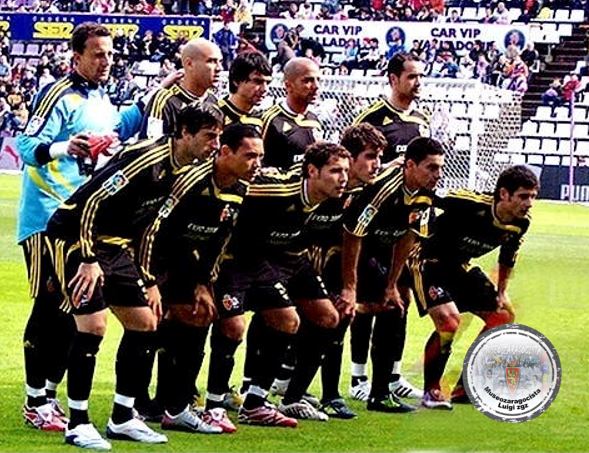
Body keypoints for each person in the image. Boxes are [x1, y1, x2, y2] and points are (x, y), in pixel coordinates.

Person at [45, 103, 224, 450]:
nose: (214, 145)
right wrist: (87, 259)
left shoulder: (185, 170)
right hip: (74, 236)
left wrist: (148, 279)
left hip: (116, 247)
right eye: (209, 136)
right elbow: (91, 202)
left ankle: (123, 418)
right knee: (93, 326)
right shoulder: (146, 157)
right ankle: (77, 423)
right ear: (184, 133)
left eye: (218, 137)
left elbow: (152, 227)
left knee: (145, 323)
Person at [16, 22, 144, 434]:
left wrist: (153, 97)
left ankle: (48, 394)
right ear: (77, 57)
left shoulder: (103, 98)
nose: (107, 61)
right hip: (47, 218)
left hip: (82, 221)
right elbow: (25, 145)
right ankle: (36, 399)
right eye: (98, 54)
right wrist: (63, 147)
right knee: (51, 307)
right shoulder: (57, 93)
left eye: (110, 54)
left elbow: (117, 129)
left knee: (75, 311)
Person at [137, 124, 264, 434]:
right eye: (250, 156)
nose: (257, 164)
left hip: (185, 263)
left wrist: (204, 283)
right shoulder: (191, 181)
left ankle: (174, 405)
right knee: (147, 324)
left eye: (260, 157)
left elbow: (218, 241)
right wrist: (150, 280)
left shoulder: (240, 189)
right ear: (225, 152)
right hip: (150, 257)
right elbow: (152, 229)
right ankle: (138, 405)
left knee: (199, 315)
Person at [214, 142, 351, 426]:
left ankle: (263, 402)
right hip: (233, 260)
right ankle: (212, 404)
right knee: (231, 326)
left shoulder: (336, 197)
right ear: (312, 171)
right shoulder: (274, 190)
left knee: (307, 318)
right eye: (336, 171)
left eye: (346, 172)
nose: (343, 178)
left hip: (274, 261)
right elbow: (232, 192)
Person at [410, 165, 539, 409]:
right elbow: (425, 195)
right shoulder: (469, 203)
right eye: (523, 196)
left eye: (533, 196)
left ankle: (464, 388)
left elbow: (507, 258)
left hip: (459, 266)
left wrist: (501, 292)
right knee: (449, 322)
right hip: (427, 261)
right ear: (504, 194)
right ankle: (432, 391)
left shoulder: (521, 223)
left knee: (503, 316)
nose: (529, 203)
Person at [341, 137, 444, 412]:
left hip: (381, 251)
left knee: (394, 305)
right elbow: (353, 235)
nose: (437, 175)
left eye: (440, 168)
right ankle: (364, 386)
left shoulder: (424, 193)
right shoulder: (384, 187)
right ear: (409, 165)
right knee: (355, 311)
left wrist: (391, 284)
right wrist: (350, 285)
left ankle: (382, 390)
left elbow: (408, 238)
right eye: (431, 168)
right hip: (351, 248)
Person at [349, 52, 430, 402]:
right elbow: (351, 164)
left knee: (401, 298)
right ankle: (358, 377)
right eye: (411, 76)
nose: (418, 82)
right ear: (393, 79)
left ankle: (393, 375)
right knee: (368, 301)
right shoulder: (372, 117)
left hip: (401, 226)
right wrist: (387, 168)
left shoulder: (422, 120)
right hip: (369, 225)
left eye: (420, 76)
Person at [304, 123, 388, 419]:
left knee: (350, 311)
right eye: (370, 156)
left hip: (329, 258)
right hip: (299, 257)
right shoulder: (323, 184)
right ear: (350, 159)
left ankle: (340, 391)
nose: (377, 164)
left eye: (380, 157)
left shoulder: (361, 189)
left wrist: (350, 287)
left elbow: (353, 235)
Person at [140, 38, 222, 139]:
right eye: (211, 61)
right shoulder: (165, 101)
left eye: (220, 62)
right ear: (189, 64)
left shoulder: (214, 101)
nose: (219, 68)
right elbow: (150, 143)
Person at [260, 57, 322, 169]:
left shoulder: (314, 120)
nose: (316, 86)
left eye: (318, 80)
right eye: (307, 80)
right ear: (288, 85)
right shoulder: (271, 120)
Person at [217, 51, 272, 127]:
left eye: (268, 83)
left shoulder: (264, 120)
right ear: (236, 81)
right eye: (257, 81)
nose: (265, 89)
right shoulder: (215, 114)